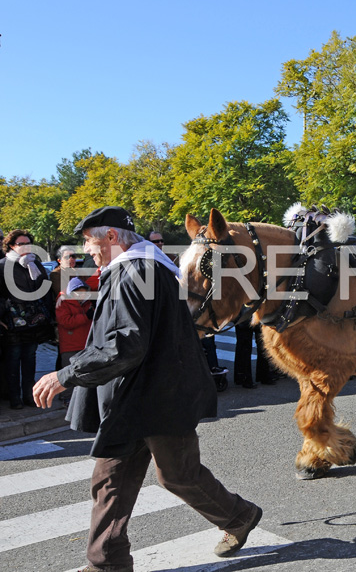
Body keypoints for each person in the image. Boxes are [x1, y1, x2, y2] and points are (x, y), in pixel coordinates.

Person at [32, 206, 262, 570]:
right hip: (138, 396)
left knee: (177, 476)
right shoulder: (140, 268)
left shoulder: (136, 271)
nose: (87, 250)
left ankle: (239, 516)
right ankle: (107, 562)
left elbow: (125, 345)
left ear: (111, 238)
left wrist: (63, 375)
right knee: (110, 481)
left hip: (158, 397)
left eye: (90, 241)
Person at [0, 230, 56, 410]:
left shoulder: (36, 264)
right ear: (11, 246)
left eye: (28, 243)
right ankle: (15, 398)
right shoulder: (2, 265)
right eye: (21, 244)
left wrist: (48, 314)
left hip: (35, 320)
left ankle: (29, 396)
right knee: (13, 360)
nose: (25, 247)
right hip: (12, 321)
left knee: (30, 359)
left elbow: (45, 289)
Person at [56, 277, 94, 366]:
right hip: (70, 346)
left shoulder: (88, 303)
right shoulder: (63, 302)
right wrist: (85, 317)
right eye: (79, 293)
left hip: (86, 345)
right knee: (70, 374)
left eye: (84, 293)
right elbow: (65, 322)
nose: (82, 296)